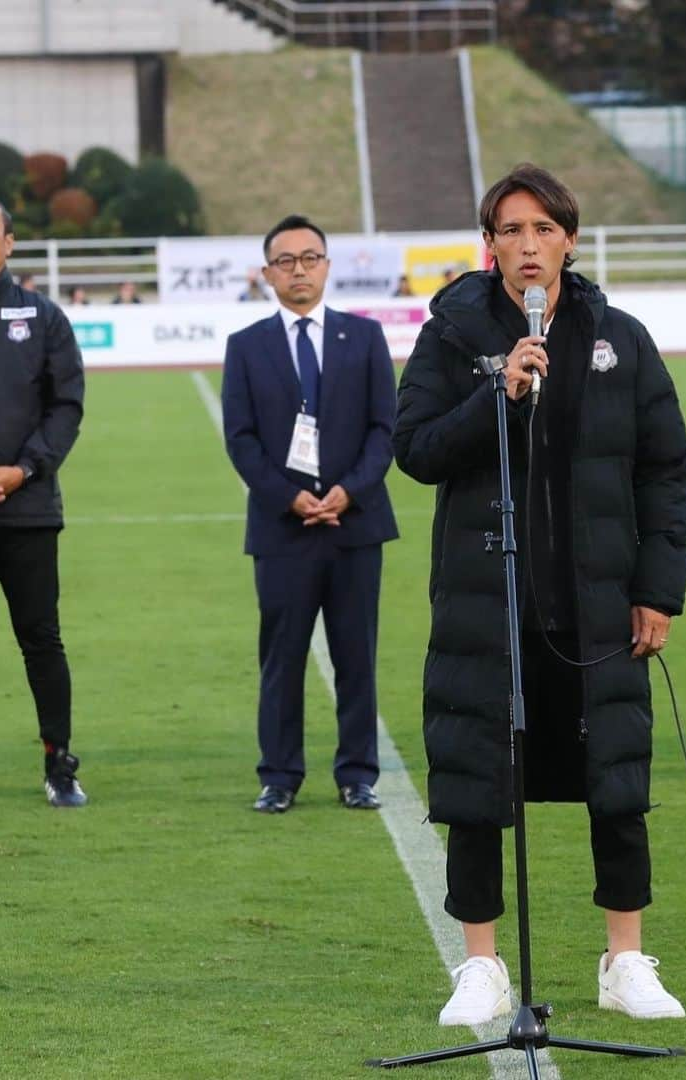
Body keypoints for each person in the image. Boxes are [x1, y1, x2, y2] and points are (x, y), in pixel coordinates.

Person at [394, 164, 686, 1025]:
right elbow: (414, 450)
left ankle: (626, 957)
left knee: (617, 780)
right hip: (489, 599)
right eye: (511, 231)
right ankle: (481, 966)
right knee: (477, 777)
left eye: (543, 229)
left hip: (599, 601)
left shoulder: (621, 339)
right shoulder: (452, 335)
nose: (528, 245)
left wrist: (657, 590)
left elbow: (665, 469)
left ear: (569, 237)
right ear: (488, 246)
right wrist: (499, 391)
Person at [221, 214, 398, 813]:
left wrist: (348, 491)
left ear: (327, 265)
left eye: (310, 258)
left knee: (356, 655)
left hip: (355, 524)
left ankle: (357, 773)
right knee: (282, 659)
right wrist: (288, 497)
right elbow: (240, 439)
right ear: (268, 273)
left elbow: (385, 429)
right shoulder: (246, 347)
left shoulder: (365, 338)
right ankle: (279, 776)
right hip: (283, 529)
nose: (299, 269)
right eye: (286, 261)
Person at [0, 203, 87, 807]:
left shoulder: (42, 315)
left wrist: (22, 469)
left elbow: (66, 404)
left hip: (24, 508)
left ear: (9, 243)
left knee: (39, 637)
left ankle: (59, 762)